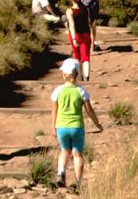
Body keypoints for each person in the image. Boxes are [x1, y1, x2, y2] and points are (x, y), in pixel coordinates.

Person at [50, 58, 104, 188]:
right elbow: (89, 110)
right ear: (77, 74)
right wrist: (97, 124)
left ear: (64, 74)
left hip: (61, 127)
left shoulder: (58, 91)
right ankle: (78, 183)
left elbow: (54, 111)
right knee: (77, 153)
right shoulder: (81, 91)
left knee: (64, 151)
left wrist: (53, 127)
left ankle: (61, 173)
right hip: (77, 127)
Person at [66, 0, 93, 81]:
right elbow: (89, 22)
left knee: (76, 56)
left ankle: (78, 77)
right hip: (86, 34)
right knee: (85, 57)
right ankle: (87, 77)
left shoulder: (69, 11)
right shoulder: (86, 9)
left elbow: (72, 25)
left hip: (76, 35)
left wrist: (74, 38)